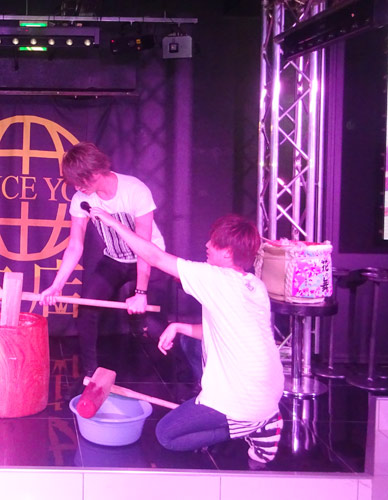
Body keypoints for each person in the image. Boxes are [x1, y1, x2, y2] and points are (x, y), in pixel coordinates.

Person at [88, 209, 284, 464]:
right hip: (271, 391)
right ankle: (259, 420)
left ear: (227, 253)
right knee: (192, 349)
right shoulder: (254, 285)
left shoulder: (215, 278)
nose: (207, 245)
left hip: (243, 400)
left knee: (167, 435)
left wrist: (110, 221)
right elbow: (221, 331)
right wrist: (179, 327)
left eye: (214, 242)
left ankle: (253, 427)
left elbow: (155, 257)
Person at [39, 142, 166, 377]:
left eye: (80, 181)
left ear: (96, 172)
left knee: (143, 308)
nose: (77, 187)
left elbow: (144, 249)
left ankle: (148, 355)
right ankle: (90, 372)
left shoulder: (135, 190)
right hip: (115, 259)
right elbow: (75, 246)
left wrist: (141, 293)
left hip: (151, 258)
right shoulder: (81, 199)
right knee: (87, 309)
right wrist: (56, 286)